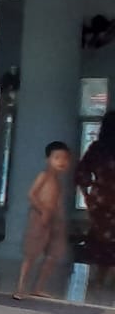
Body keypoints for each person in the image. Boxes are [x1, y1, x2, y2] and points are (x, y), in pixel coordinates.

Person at [15, 141, 72, 300]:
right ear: (48, 159)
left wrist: (60, 219)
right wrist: (43, 210)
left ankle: (38, 287)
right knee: (31, 253)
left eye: (65, 158)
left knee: (53, 254)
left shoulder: (59, 182)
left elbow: (58, 201)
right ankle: (20, 287)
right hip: (39, 217)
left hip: (54, 219)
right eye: (57, 157)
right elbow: (31, 194)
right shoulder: (43, 176)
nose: (61, 161)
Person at [76, 112, 115, 290]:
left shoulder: (98, 148)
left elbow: (81, 173)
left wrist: (88, 194)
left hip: (102, 199)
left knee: (102, 240)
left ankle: (99, 279)